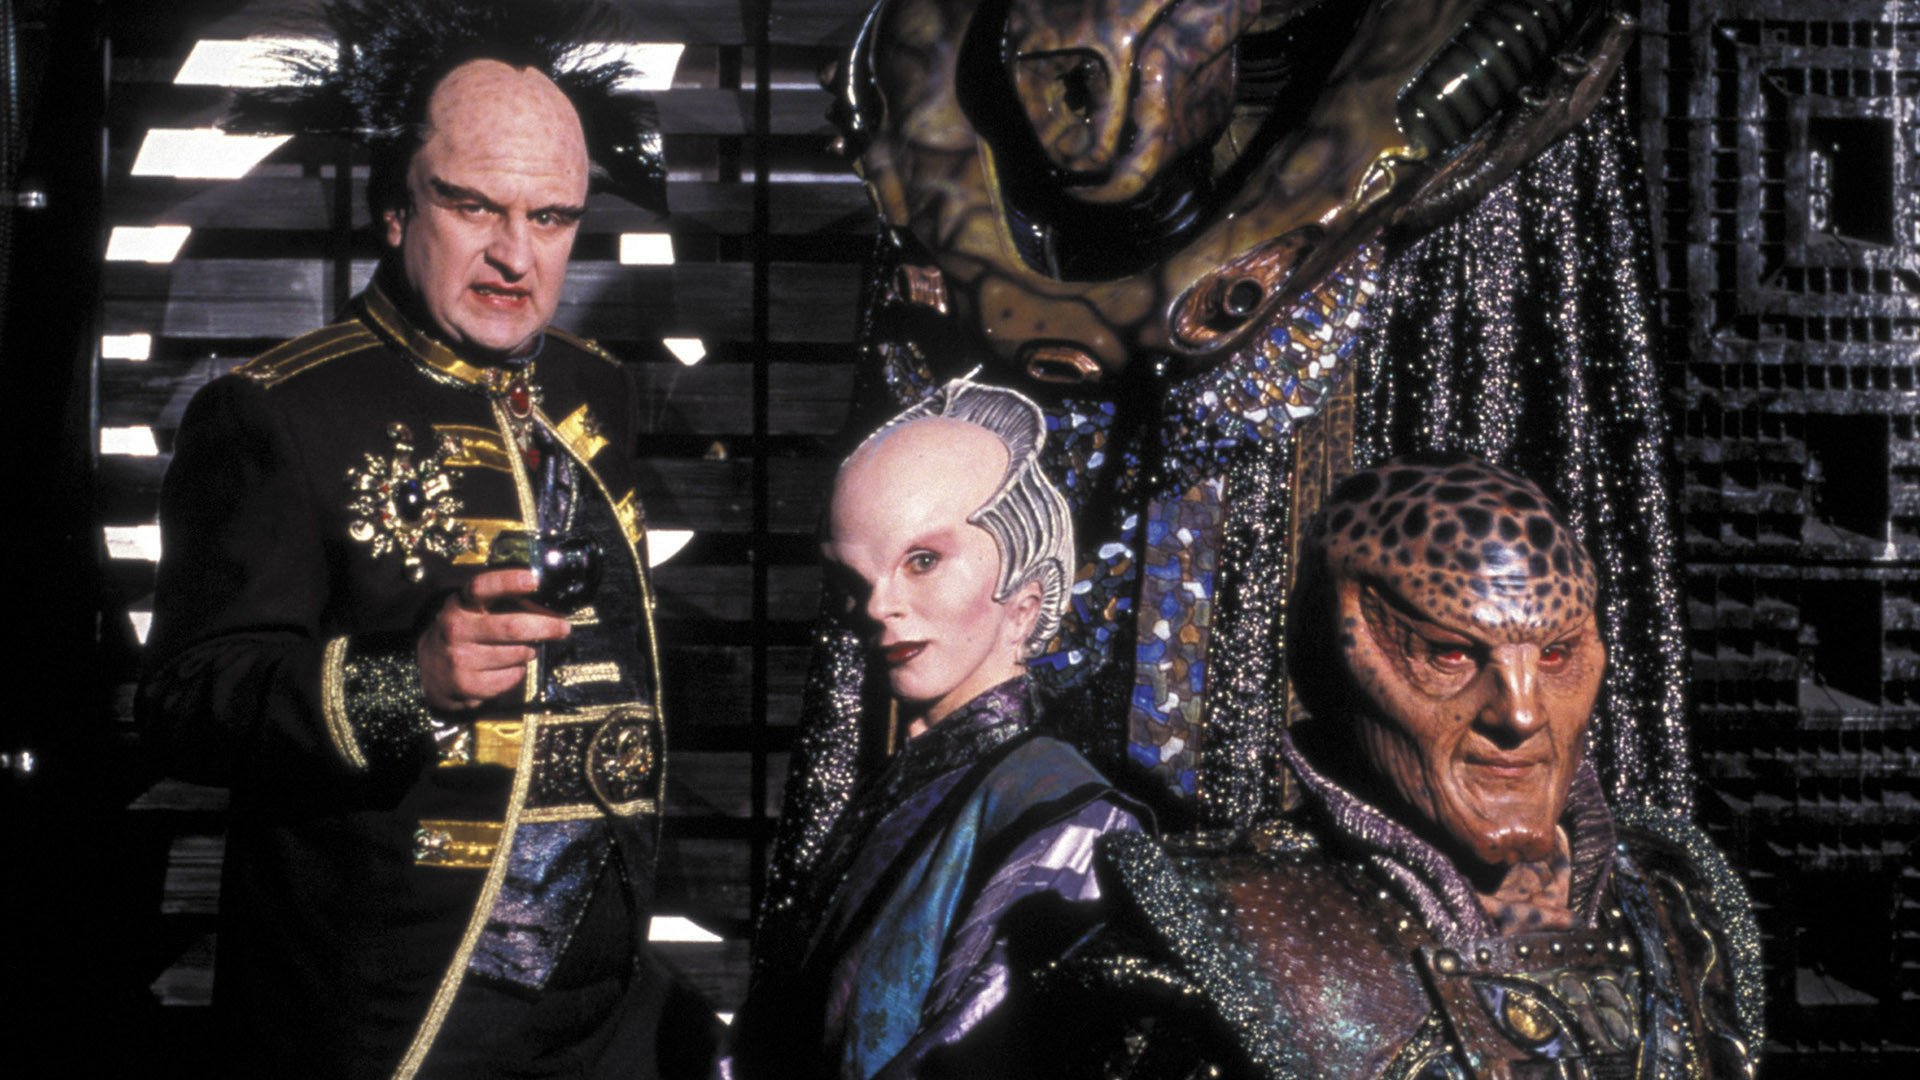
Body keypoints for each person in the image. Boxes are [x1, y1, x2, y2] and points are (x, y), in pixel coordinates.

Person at [137, 4, 698, 1077]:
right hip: (400, 1009)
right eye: (473, 205)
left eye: (551, 217)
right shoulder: (275, 412)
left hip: (604, 1007)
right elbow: (185, 702)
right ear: (396, 210)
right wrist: (408, 684)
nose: (515, 256)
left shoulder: (596, 388)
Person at [1022, 453, 1764, 1079]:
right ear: (1330, 655)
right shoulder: (1219, 931)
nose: (1522, 713)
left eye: (1556, 655)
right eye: (1450, 653)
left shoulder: (1676, 902)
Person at [722, 379, 1146, 1079]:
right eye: (855, 580)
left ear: (1026, 597)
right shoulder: (905, 788)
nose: (878, 606)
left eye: (923, 561)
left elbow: (972, 1055)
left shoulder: (1067, 820)